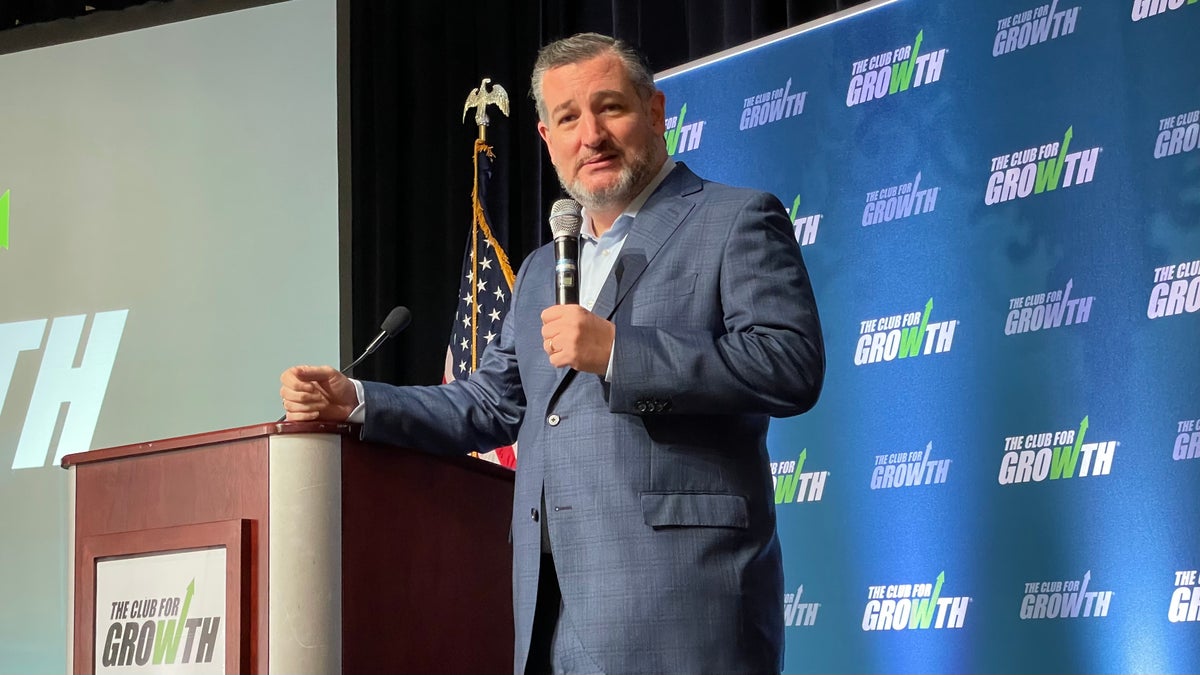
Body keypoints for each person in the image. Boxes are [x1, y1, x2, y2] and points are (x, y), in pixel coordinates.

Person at [281, 32, 824, 675]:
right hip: (553, 612)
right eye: (568, 118)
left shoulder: (735, 220)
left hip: (683, 608)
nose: (590, 134)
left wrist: (620, 352)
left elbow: (788, 365)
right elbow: (491, 401)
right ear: (546, 140)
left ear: (654, 112)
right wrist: (360, 400)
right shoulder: (543, 268)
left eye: (610, 108)